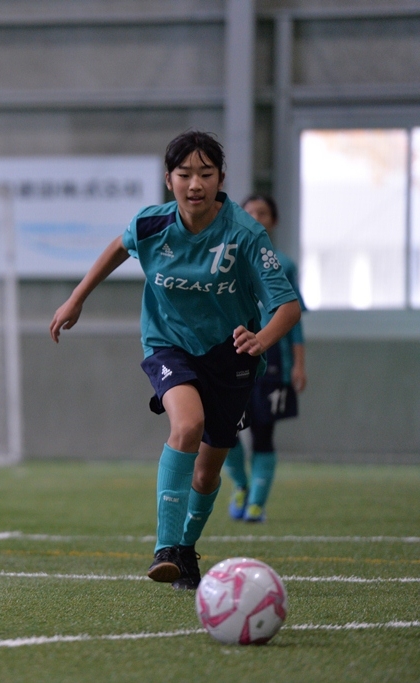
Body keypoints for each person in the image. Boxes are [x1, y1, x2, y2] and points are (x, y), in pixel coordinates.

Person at [50, 131, 301, 590]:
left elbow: (288, 307)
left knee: (207, 473)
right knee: (187, 425)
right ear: (169, 180)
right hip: (168, 343)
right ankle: (165, 548)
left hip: (230, 355)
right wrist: (76, 298)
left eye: (206, 173)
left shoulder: (245, 234)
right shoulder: (151, 225)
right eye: (184, 174)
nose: (195, 184)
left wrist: (261, 339)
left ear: (220, 179)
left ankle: (185, 548)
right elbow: (119, 246)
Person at [225, 195, 307, 523]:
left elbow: (294, 319)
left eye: (263, 213)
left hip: (272, 358)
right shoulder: (226, 259)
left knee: (263, 432)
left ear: (273, 221)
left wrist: (299, 363)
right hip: (231, 352)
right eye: (250, 212)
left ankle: (257, 503)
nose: (256, 217)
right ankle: (241, 485)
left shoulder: (284, 264)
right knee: (223, 430)